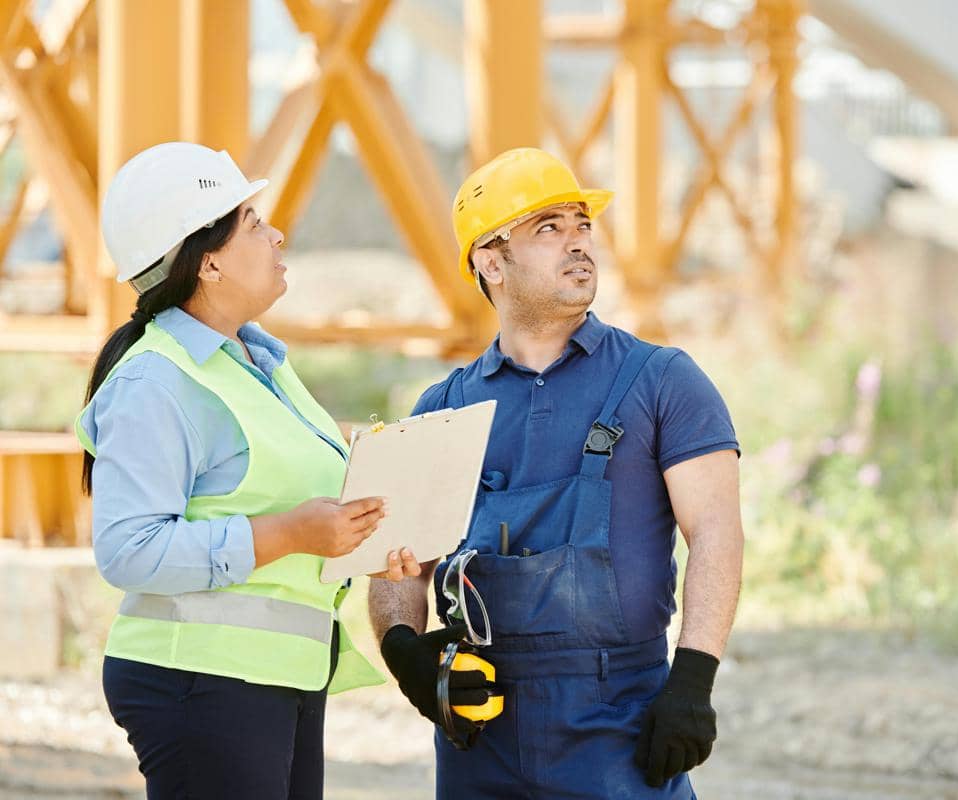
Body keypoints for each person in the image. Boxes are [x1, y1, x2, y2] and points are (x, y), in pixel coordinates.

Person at [369, 147, 744, 798]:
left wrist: (693, 678)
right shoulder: (442, 409)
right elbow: (395, 562)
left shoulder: (662, 381)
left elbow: (715, 530)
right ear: (491, 262)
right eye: (548, 229)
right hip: (481, 728)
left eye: (582, 226)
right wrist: (405, 650)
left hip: (622, 717)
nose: (578, 244)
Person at [76, 141, 422, 800]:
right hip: (200, 683)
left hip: (277, 678)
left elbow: (287, 506)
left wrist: (360, 540)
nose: (277, 234)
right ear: (208, 262)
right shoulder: (157, 378)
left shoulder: (262, 365)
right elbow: (127, 549)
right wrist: (289, 535)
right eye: (254, 223)